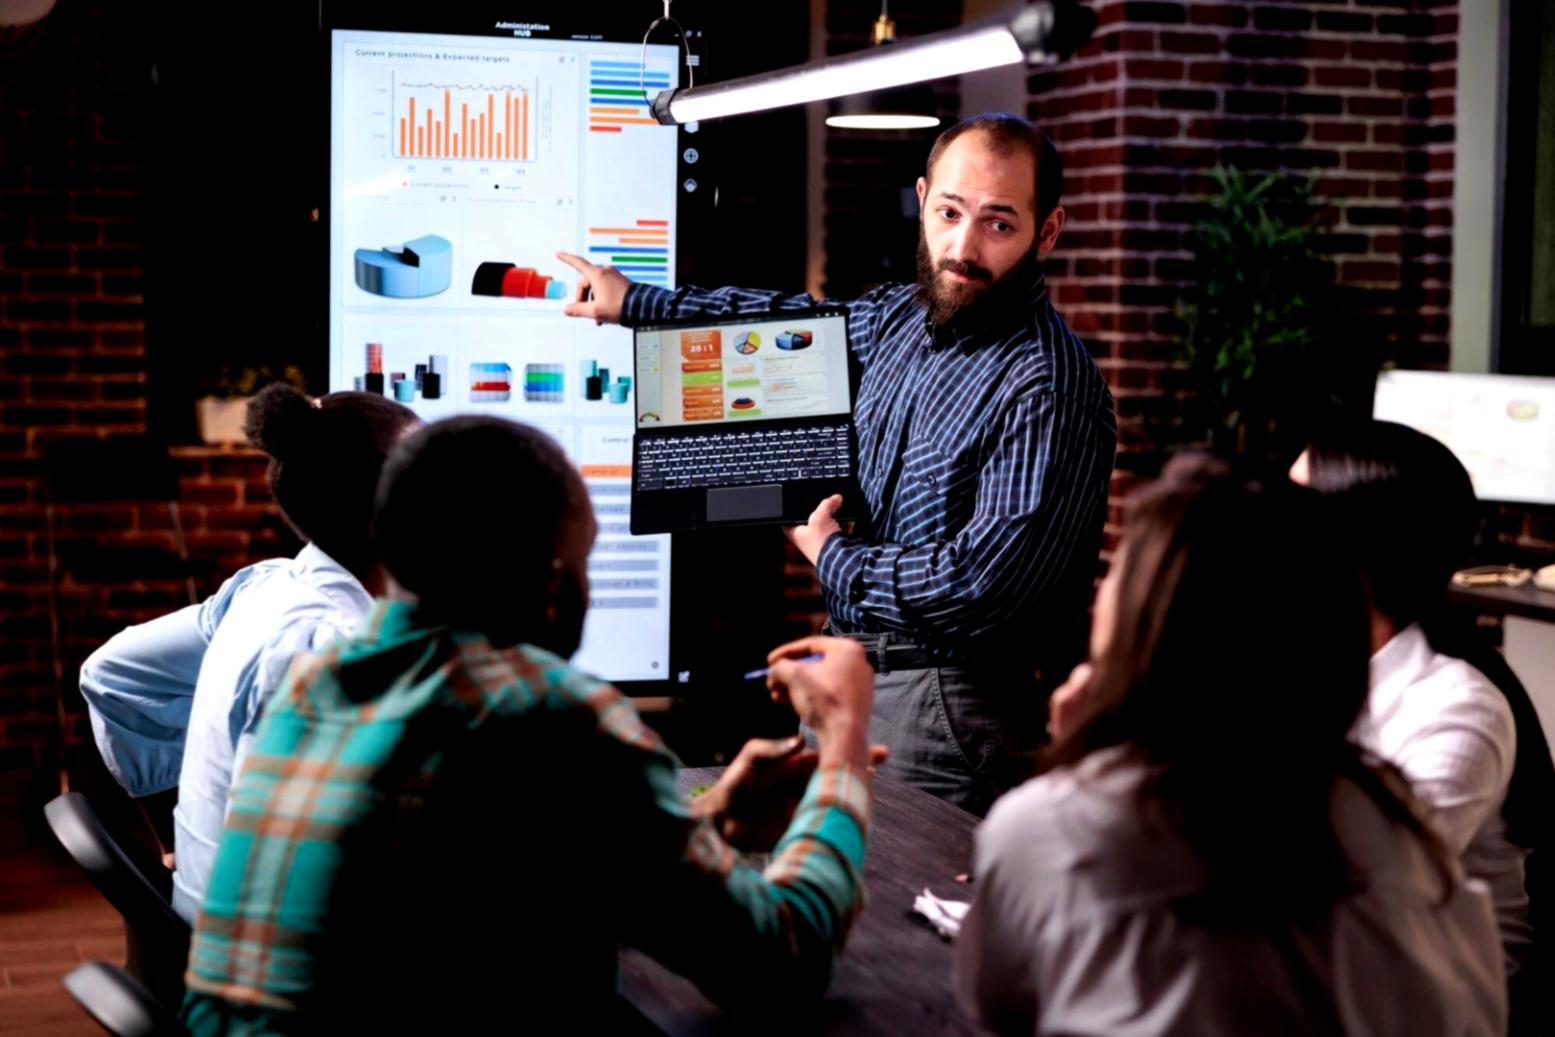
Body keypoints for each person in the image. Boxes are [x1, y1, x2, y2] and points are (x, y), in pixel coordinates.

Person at [180, 415, 882, 1033]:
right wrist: (843, 735)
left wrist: (714, 822)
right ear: (553, 581)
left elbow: (492, 876)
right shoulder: (553, 716)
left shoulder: (313, 685)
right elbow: (780, 958)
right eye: (584, 561)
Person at [558, 113, 1116, 815]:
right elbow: (782, 326)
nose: (962, 246)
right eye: (948, 213)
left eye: (998, 224)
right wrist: (636, 304)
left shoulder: (1046, 384)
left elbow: (981, 585)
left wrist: (832, 555)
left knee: (896, 916)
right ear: (921, 199)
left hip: (948, 708)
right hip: (854, 674)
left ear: (1048, 230)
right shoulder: (899, 318)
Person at [956, 454, 1506, 1036]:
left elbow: (998, 1002)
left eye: (1118, 571)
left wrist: (1075, 774)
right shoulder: (1393, 820)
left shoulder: (1057, 825)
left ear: (1149, 619)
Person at [79, 384, 419, 920]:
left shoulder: (267, 589)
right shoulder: (333, 648)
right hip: (262, 965)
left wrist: (175, 831)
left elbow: (113, 672)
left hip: (205, 920)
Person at [1294, 419, 1551, 1031]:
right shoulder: (1312, 668)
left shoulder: (1459, 708)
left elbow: (1345, 890)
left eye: (1289, 516)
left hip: (1437, 1000)